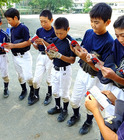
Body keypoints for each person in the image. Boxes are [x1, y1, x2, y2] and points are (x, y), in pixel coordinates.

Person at [68, 2, 114, 135]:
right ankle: (76, 115)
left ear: (108, 22)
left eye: (96, 22)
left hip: (95, 79)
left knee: (91, 102)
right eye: (91, 21)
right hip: (82, 72)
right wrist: (76, 50)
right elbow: (83, 48)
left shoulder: (109, 42)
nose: (93, 25)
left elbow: (103, 68)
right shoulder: (89, 32)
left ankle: (88, 121)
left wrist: (85, 57)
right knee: (74, 99)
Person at [45, 17, 76, 122]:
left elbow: (72, 60)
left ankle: (65, 110)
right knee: (55, 91)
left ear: (68, 29)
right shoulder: (55, 39)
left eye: (61, 33)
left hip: (65, 71)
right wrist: (49, 53)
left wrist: (59, 55)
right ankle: (58, 107)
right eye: (56, 32)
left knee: (64, 93)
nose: (59, 35)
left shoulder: (70, 42)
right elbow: (51, 57)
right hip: (55, 69)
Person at [4, 8, 34, 101]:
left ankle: (32, 91)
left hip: (24, 56)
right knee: (20, 76)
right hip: (15, 56)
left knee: (28, 76)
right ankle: (24, 90)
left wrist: (13, 45)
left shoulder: (23, 28)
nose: (8, 22)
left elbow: (28, 42)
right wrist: (8, 46)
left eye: (9, 20)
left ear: (15, 18)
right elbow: (12, 43)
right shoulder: (12, 29)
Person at [28, 10, 56, 106]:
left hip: (50, 58)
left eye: (45, 21)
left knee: (49, 78)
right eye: (41, 21)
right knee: (36, 79)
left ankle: (49, 94)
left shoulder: (55, 31)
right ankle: (36, 95)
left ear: (51, 20)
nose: (43, 24)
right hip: (41, 56)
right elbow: (37, 47)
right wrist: (34, 43)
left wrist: (43, 42)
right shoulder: (39, 31)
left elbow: (55, 48)